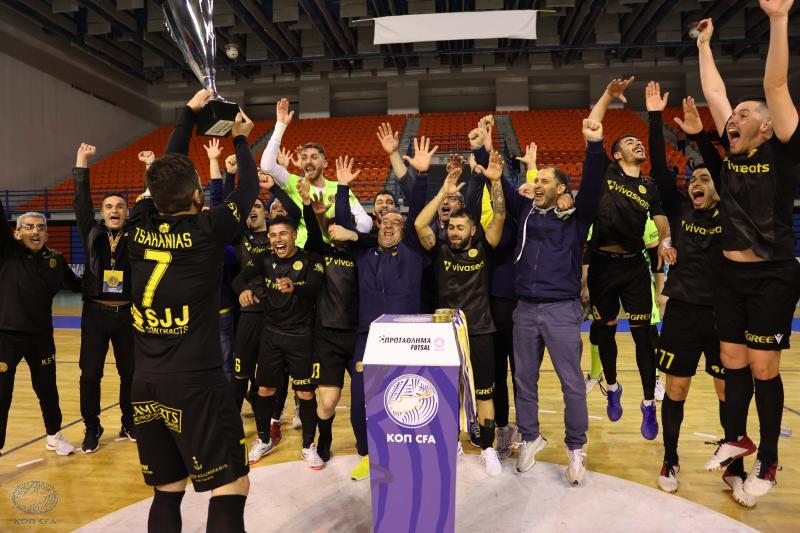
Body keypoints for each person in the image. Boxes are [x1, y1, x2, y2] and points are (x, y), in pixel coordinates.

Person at [127, 90, 257, 532]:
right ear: (199, 195)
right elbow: (248, 189)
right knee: (231, 485)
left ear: (154, 195)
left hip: (145, 383)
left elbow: (167, 173)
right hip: (197, 385)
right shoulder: (209, 228)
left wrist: (186, 115)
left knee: (167, 489)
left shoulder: (138, 221)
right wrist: (241, 138)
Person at [697, 6, 800, 498]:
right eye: (733, 115)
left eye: (744, 114)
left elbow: (775, 85)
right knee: (731, 359)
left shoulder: (783, 149)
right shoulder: (733, 147)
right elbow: (715, 93)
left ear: (767, 126)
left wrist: (778, 19)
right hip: (729, 275)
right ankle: (737, 438)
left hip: (772, 275)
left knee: (763, 367)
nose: (732, 118)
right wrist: (703, 47)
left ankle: (770, 461)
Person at [645, 83, 741, 501]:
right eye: (693, 179)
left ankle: (734, 466)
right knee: (676, 390)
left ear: (718, 186)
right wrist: (654, 117)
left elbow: (722, 168)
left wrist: (700, 136)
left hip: (723, 315)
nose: (696, 183)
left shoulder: (732, 210)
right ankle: (670, 458)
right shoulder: (681, 210)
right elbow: (660, 169)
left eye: (704, 178)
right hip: (683, 311)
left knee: (726, 391)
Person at [326, 136, 435, 481]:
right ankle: (367, 454)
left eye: (395, 222)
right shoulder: (365, 253)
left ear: (405, 230)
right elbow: (342, 226)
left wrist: (420, 175)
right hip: (369, 337)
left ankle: (409, 455)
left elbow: (418, 207)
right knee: (361, 400)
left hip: (408, 338)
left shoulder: (414, 251)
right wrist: (343, 189)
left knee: (409, 399)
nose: (388, 225)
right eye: (384, 222)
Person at [508, 119, 604, 485]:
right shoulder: (525, 212)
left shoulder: (576, 219)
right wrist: (486, 155)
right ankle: (530, 437)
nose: (538, 184)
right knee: (523, 380)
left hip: (561, 308)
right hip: (524, 308)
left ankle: (576, 448)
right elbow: (500, 186)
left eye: (545, 181)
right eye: (537, 180)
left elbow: (592, 185)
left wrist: (594, 145)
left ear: (562, 188)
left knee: (571, 383)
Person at [585, 77, 673, 440]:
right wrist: (607, 95)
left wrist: (665, 240)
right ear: (617, 154)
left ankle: (649, 404)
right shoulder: (606, 172)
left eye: (640, 141)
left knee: (644, 337)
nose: (638, 143)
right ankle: (612, 385)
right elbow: (592, 125)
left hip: (635, 266)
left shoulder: (649, 187)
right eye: (629, 142)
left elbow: (661, 219)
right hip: (602, 265)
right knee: (604, 331)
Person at [415, 152, 506, 476]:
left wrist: (496, 182)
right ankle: (450, 442)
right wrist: (444, 191)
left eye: (460, 228)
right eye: (451, 227)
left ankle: (488, 449)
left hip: (480, 330)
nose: (454, 232)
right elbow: (419, 224)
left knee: (484, 392)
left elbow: (499, 215)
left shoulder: (484, 248)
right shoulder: (439, 249)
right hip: (445, 334)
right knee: (447, 393)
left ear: (472, 230)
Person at [233, 214, 325, 468]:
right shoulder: (264, 259)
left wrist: (295, 287)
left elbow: (314, 288)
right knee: (265, 390)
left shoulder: (311, 259)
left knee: (305, 392)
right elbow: (239, 279)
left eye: (282, 234)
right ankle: (264, 440)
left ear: (294, 235)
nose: (277, 239)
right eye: (273, 235)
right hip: (271, 336)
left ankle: (308, 446)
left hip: (301, 337)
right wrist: (244, 290)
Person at [0, 207, 81, 457]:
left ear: (46, 234)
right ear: (17, 233)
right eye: (29, 227)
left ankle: (54, 436)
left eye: (41, 228)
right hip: (6, 337)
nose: (35, 231)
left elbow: (79, 285)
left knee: (47, 389)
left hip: (42, 337)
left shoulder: (56, 259)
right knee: (2, 395)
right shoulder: (7, 252)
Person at [72, 142, 136, 454]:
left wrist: (150, 169)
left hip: (128, 315)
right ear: (102, 213)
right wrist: (82, 161)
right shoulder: (91, 232)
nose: (114, 210)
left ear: (127, 212)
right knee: (90, 375)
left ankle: (130, 422)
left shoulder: (136, 234)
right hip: (96, 314)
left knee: (131, 374)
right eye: (109, 206)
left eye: (119, 206)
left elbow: (153, 207)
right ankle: (92, 427)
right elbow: (81, 202)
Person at [298, 157, 361, 464]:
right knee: (329, 400)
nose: (337, 228)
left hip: (358, 335)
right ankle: (325, 436)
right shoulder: (321, 251)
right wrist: (312, 209)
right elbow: (313, 233)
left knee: (364, 398)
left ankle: (366, 443)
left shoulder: (363, 252)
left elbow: (372, 236)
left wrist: (344, 189)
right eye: (333, 225)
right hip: (327, 335)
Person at [260, 98, 372, 246]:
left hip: (332, 251)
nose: (308, 161)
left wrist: (350, 235)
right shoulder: (295, 183)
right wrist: (280, 126)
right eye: (304, 158)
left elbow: (365, 219)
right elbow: (267, 165)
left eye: (314, 157)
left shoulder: (339, 187)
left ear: (324, 163)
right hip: (302, 251)